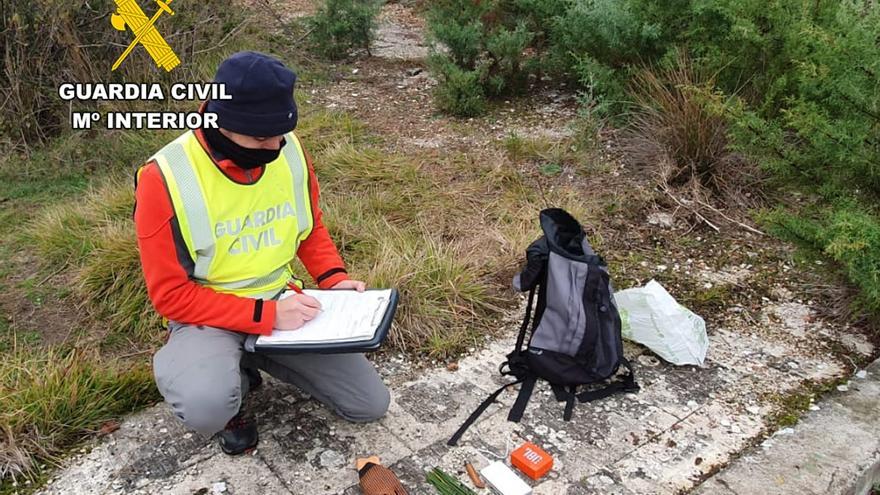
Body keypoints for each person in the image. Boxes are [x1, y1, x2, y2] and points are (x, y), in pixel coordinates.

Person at [133, 51, 391, 455]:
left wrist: (333, 279)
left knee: (369, 405)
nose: (274, 147)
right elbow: (170, 296)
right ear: (222, 123)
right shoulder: (165, 176)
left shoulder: (286, 149)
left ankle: (252, 357)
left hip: (282, 300)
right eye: (260, 138)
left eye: (280, 134)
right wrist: (265, 318)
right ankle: (226, 385)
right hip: (206, 316)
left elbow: (308, 227)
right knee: (206, 404)